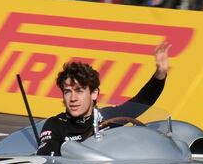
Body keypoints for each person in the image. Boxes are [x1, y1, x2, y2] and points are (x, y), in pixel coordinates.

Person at [36, 41, 171, 156]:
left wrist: (160, 73)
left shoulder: (108, 117)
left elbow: (143, 100)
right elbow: (48, 161)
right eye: (67, 92)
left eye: (79, 91)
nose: (72, 98)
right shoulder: (55, 125)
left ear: (94, 93)